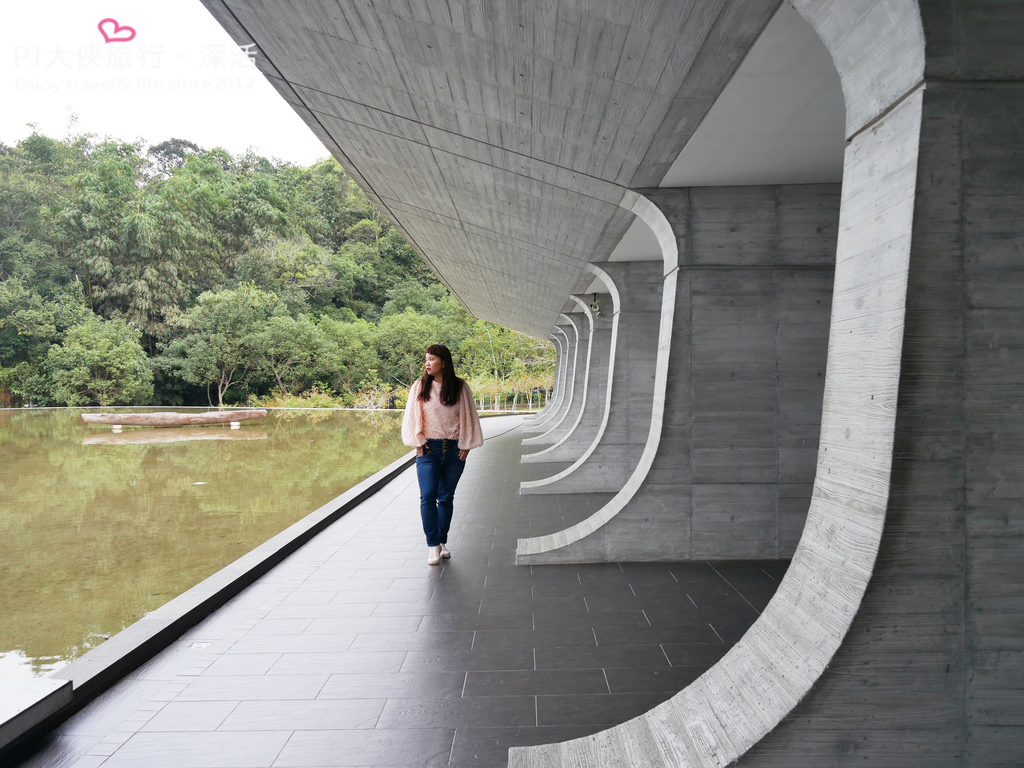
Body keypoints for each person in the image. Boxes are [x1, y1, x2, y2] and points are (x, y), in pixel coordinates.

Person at [401, 343, 483, 565]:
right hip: (429, 450)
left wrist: (466, 445)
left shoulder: (460, 387)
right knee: (427, 496)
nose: (427, 363)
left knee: (446, 498)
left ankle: (442, 542)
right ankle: (432, 546)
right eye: (426, 359)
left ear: (444, 362)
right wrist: (418, 443)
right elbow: (411, 417)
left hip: (454, 451)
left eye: (432, 359)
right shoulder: (420, 386)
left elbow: (469, 416)